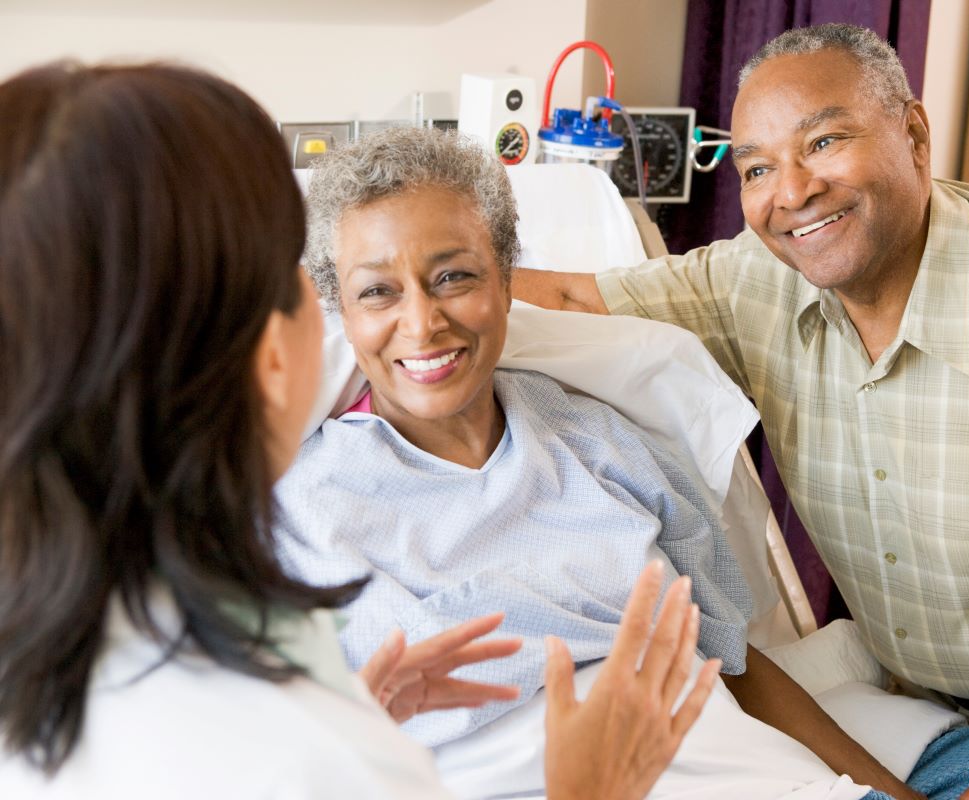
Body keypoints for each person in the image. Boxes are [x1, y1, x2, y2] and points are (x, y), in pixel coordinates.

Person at [511, 22, 969, 800]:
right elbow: (571, 298)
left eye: (826, 141)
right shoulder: (756, 281)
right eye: (758, 167)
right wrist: (382, 296)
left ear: (913, 133)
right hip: (924, 720)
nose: (792, 191)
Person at [0, 61, 721, 799]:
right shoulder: (274, 714)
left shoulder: (80, 644)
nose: (416, 320)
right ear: (269, 351)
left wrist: (356, 715)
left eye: (455, 277)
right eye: (302, 287)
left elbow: (734, 647)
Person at [279, 125, 904, 800]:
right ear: (336, 307)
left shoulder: (602, 441)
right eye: (378, 292)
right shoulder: (302, 510)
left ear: (506, 281)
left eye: (455, 276)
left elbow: (735, 664)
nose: (423, 321)